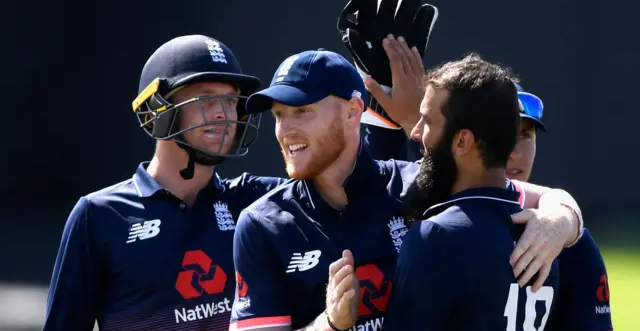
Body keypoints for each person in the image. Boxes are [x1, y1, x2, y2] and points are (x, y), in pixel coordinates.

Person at [41, 34, 408, 331]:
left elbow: (359, 183)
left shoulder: (258, 203)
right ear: (156, 109)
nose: (224, 113)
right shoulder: (98, 215)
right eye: (206, 99)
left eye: (231, 101)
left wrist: (382, 102)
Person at [229, 45, 583, 331]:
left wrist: (560, 220)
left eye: (301, 111)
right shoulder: (261, 224)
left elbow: (534, 195)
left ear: (353, 112)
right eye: (278, 115)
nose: (285, 131)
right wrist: (330, 325)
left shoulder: (418, 184)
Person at [382, 54, 562, 330]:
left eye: (427, 121)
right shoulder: (551, 241)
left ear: (463, 141)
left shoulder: (436, 237)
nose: (416, 133)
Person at [508, 86, 613, 331]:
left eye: (525, 135)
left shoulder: (572, 244)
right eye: (500, 136)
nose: (514, 153)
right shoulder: (428, 223)